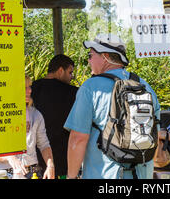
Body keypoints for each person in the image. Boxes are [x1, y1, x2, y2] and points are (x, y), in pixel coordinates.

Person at [64, 34, 161, 179]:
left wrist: (71, 176)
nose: (88, 61)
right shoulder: (145, 86)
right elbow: (155, 135)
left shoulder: (91, 87)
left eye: (90, 55)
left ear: (105, 56)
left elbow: (78, 139)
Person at [0, 76, 55, 179]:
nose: (30, 90)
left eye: (30, 86)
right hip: (6, 173)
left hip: (33, 172)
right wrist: (10, 157)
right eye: (24, 87)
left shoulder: (36, 115)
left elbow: (44, 144)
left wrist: (50, 165)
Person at [31, 54, 78, 178]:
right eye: (70, 72)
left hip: (37, 155)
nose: (71, 77)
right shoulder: (73, 92)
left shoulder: (32, 88)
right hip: (63, 156)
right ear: (60, 70)